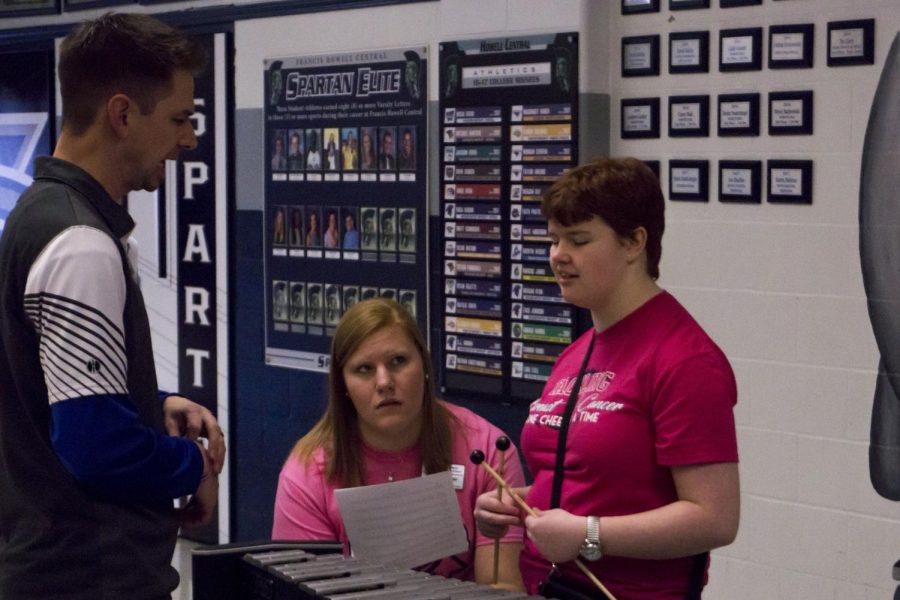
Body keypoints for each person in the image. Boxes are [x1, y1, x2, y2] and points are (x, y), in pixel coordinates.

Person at [0, 13, 226, 600]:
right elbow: (96, 447)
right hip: (88, 580)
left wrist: (151, 407)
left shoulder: (39, 216)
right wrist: (191, 466)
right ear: (123, 114)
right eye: (179, 119)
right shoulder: (79, 243)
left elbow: (44, 400)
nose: (189, 139)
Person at [474, 158, 739, 599]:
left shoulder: (685, 359)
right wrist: (515, 506)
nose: (558, 255)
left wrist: (588, 535)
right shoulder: (577, 353)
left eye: (578, 240)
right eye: (554, 239)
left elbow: (714, 517)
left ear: (634, 242)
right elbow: (584, 484)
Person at [272, 298, 525, 588]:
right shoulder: (307, 474)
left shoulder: (488, 450)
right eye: (364, 369)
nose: (384, 382)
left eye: (398, 361)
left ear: (425, 366)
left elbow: (502, 589)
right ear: (343, 386)